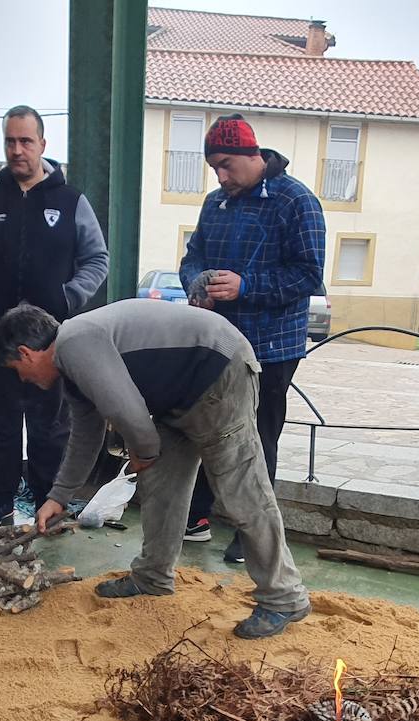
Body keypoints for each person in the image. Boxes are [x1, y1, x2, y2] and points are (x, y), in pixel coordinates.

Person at [0, 299, 312, 640]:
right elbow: (87, 434)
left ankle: (284, 596)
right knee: (162, 487)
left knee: (242, 491)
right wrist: (59, 497)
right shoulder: (72, 365)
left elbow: (125, 411)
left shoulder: (74, 343)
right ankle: (153, 577)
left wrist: (143, 450)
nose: (24, 379)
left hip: (217, 371)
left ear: (26, 353)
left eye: (17, 370)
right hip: (176, 395)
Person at [0, 104, 109, 530]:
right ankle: (0, 498)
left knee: (51, 426)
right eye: (10, 142)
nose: (17, 150)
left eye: (26, 141)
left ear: (42, 144)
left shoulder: (70, 201)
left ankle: (46, 499)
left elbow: (96, 258)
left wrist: (68, 299)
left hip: (49, 344)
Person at [178, 113, 326, 564]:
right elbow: (193, 256)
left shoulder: (297, 201)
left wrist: (247, 286)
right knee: (204, 424)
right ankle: (198, 517)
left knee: (258, 436)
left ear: (251, 154)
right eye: (215, 169)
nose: (222, 177)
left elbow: (308, 275)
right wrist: (194, 283)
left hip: (272, 347)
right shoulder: (214, 202)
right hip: (217, 340)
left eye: (226, 165)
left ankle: (251, 530)